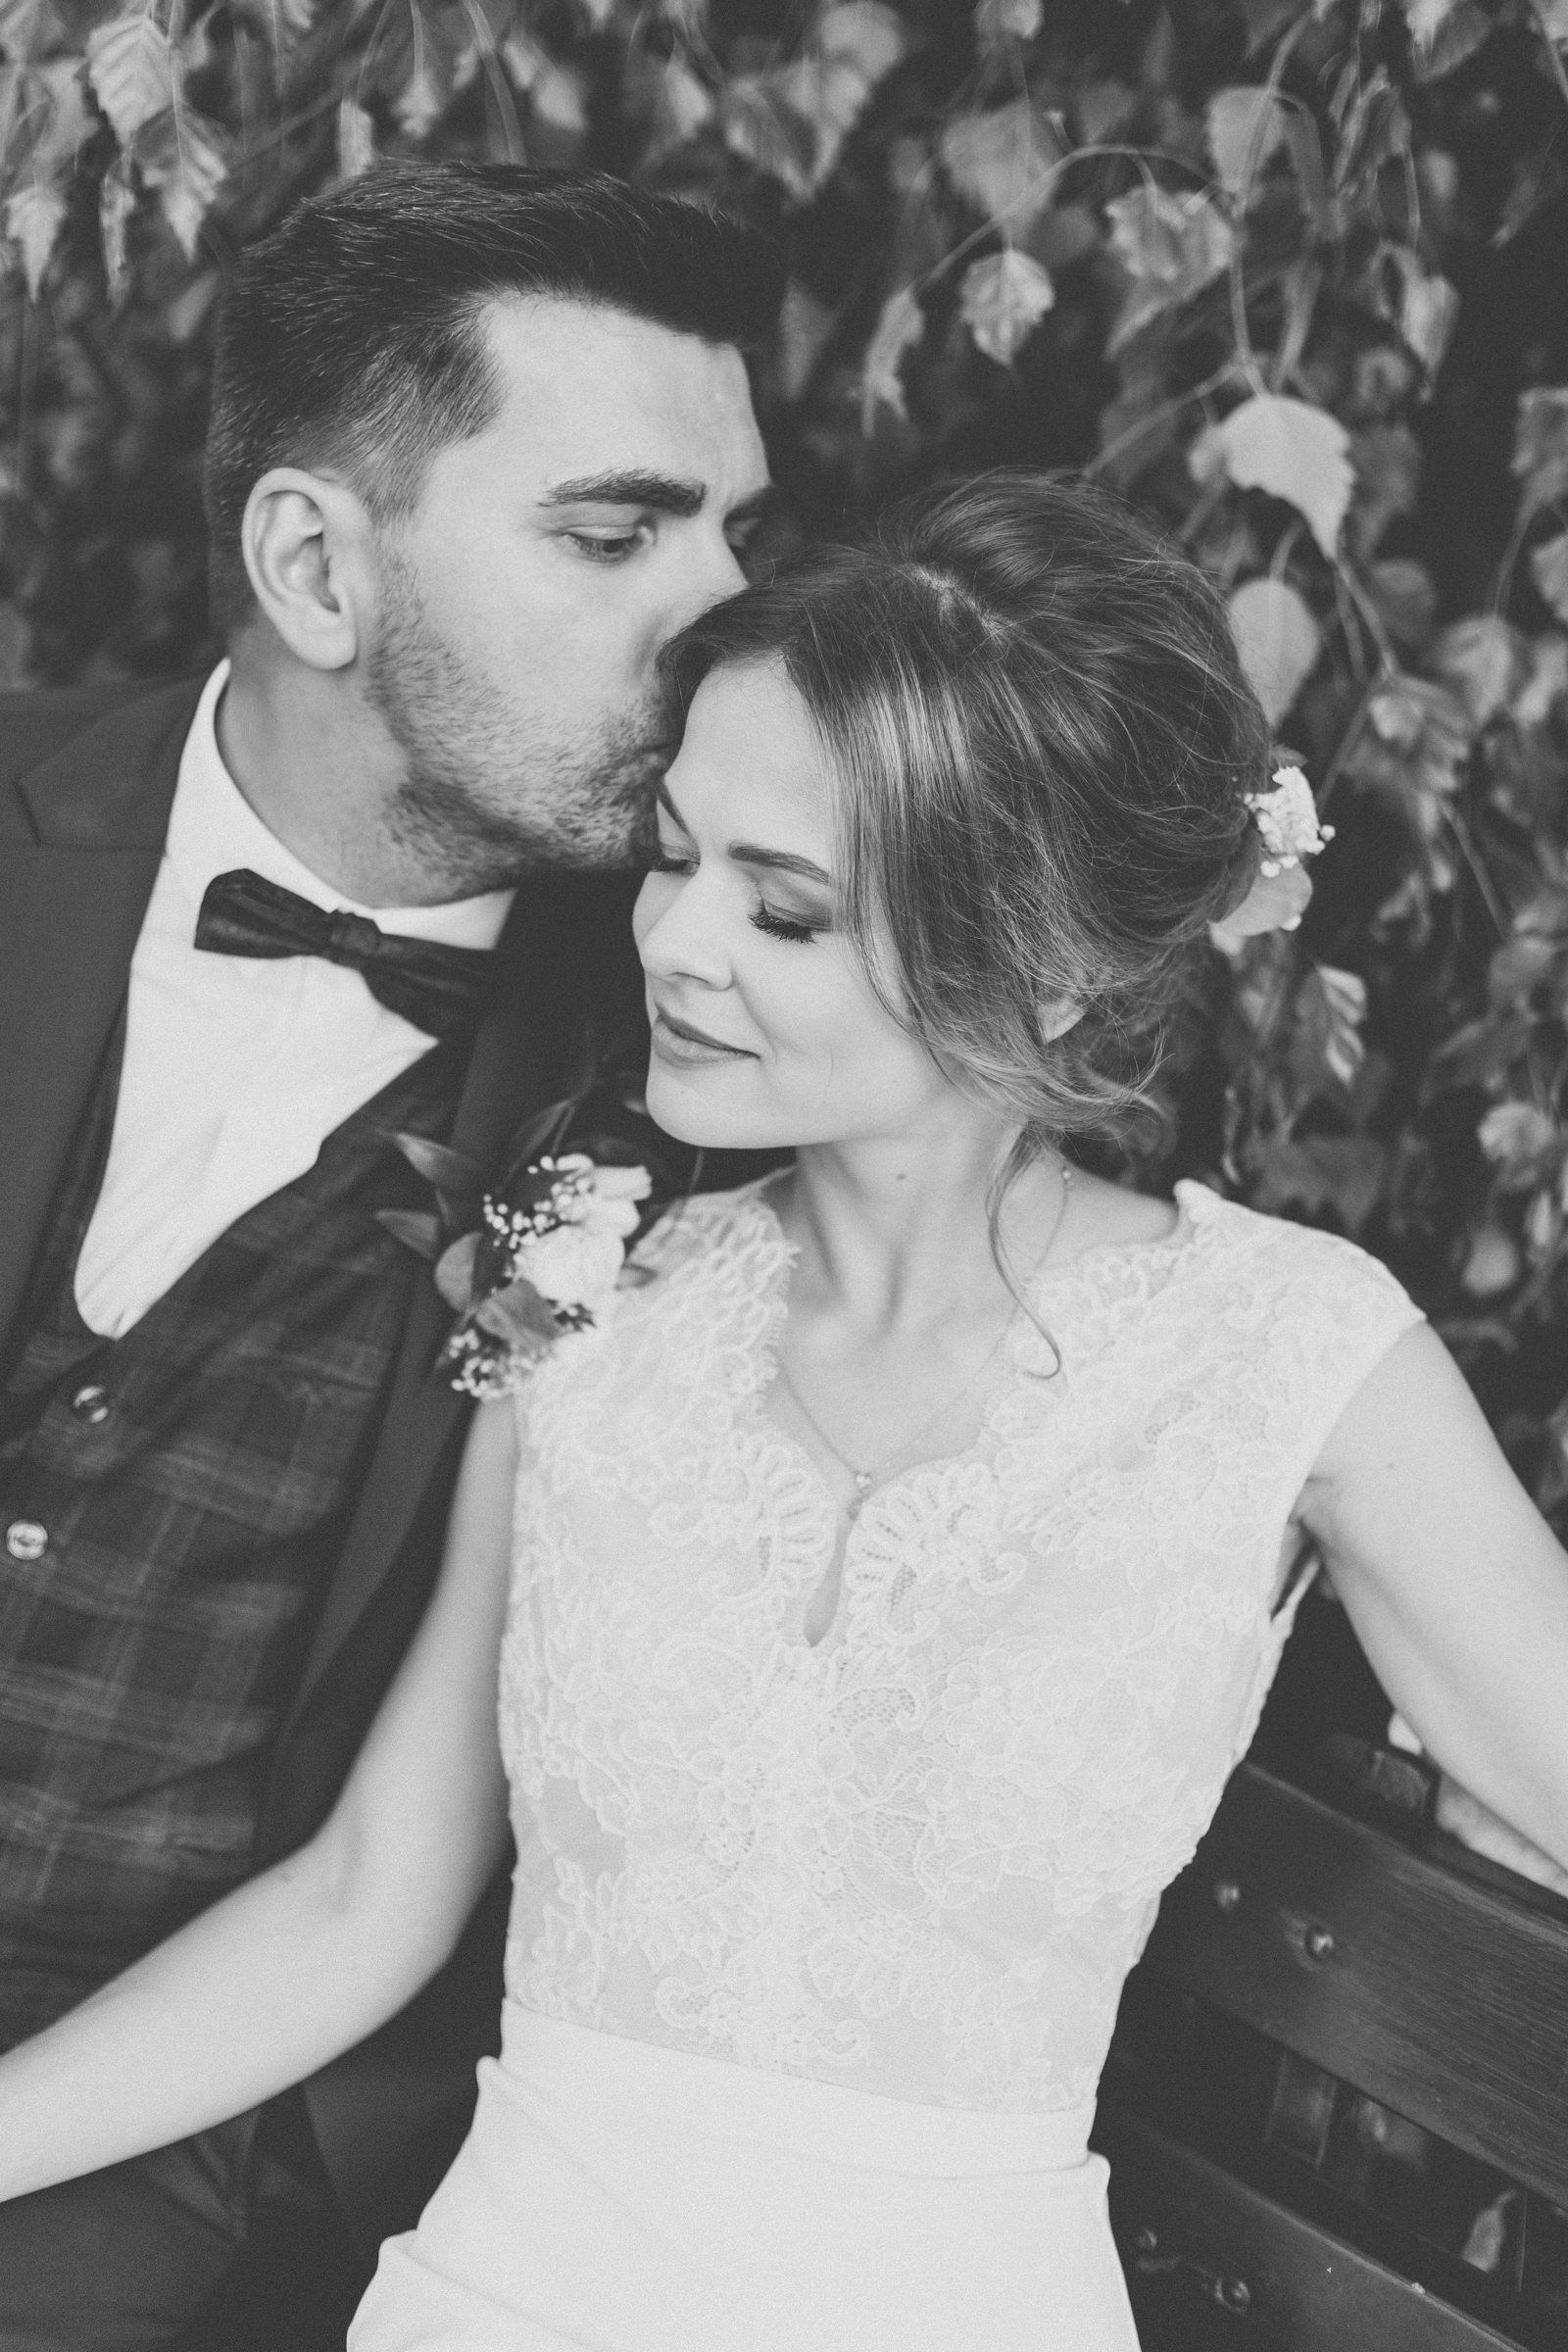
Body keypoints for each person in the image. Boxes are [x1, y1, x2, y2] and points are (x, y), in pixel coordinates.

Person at [4, 472, 1567, 2352]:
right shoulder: (591, 1304)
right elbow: (365, 1898)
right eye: (673, 856)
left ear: (1049, 967)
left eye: (787, 909)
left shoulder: (1290, 1353)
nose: (675, 941)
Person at [0, 158, 776, 2344]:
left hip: (176, 2134)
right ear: (316, 567)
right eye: (616, 535)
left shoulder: (714, 1074)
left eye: (741, 536)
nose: (725, 618)